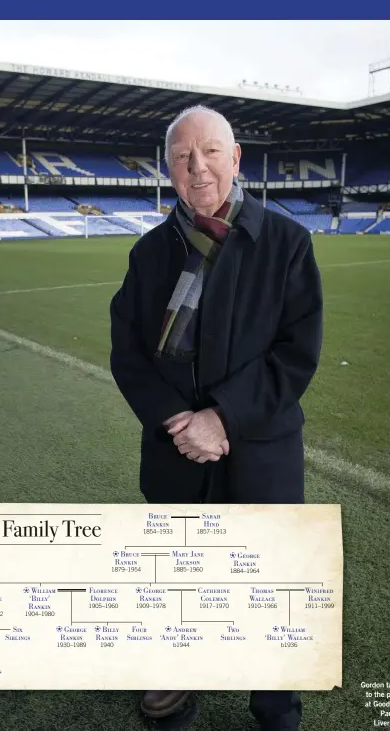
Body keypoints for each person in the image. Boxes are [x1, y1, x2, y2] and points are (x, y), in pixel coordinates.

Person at [109, 106, 323, 731]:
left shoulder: (286, 243)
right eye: (182, 156)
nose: (196, 167)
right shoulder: (150, 254)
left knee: (270, 588)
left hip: (261, 455)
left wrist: (223, 420)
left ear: (235, 159)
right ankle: (177, 684)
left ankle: (275, 705)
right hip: (178, 455)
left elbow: (296, 352)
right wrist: (182, 419)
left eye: (209, 153)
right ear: (168, 169)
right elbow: (128, 355)